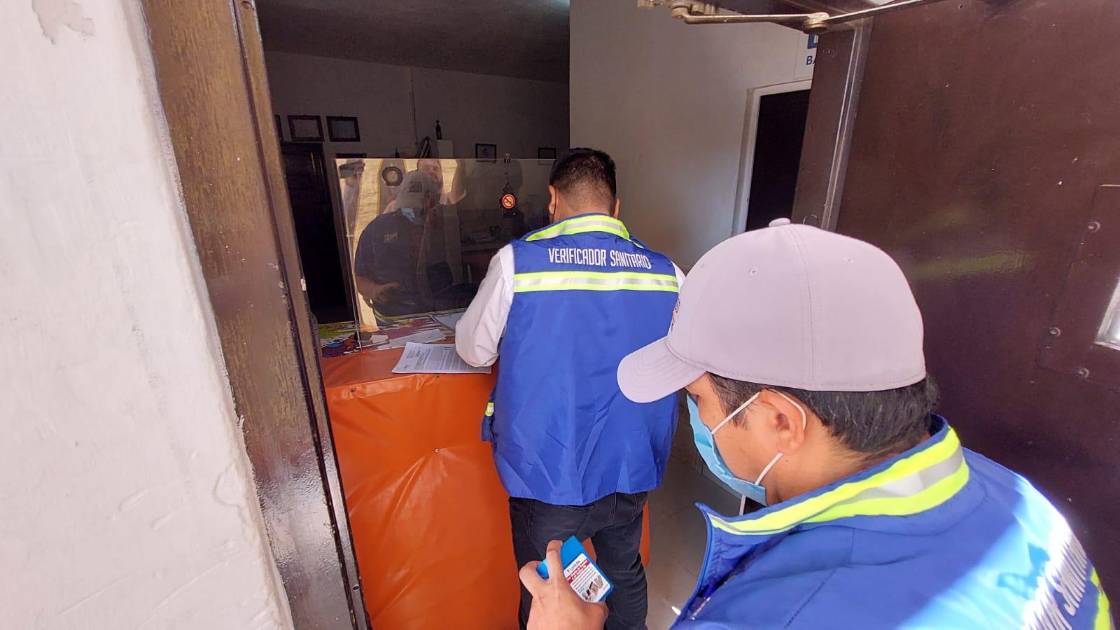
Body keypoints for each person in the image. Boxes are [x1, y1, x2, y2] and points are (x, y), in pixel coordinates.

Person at [518, 219, 1113, 629]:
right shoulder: (1019, 504)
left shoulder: (773, 616)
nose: (693, 418)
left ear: (782, 420)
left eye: (696, 398)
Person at [456, 148, 685, 629]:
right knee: (624, 571)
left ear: (553, 199)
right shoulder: (667, 273)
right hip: (630, 465)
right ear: (615, 207)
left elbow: (474, 351)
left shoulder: (519, 262)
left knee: (548, 589)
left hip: (549, 472)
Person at [352, 168, 455, 317]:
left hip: (444, 309)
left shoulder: (449, 225)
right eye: (408, 207)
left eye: (419, 209)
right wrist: (374, 290)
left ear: (434, 202)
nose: (413, 211)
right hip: (395, 315)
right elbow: (360, 276)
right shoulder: (377, 229)